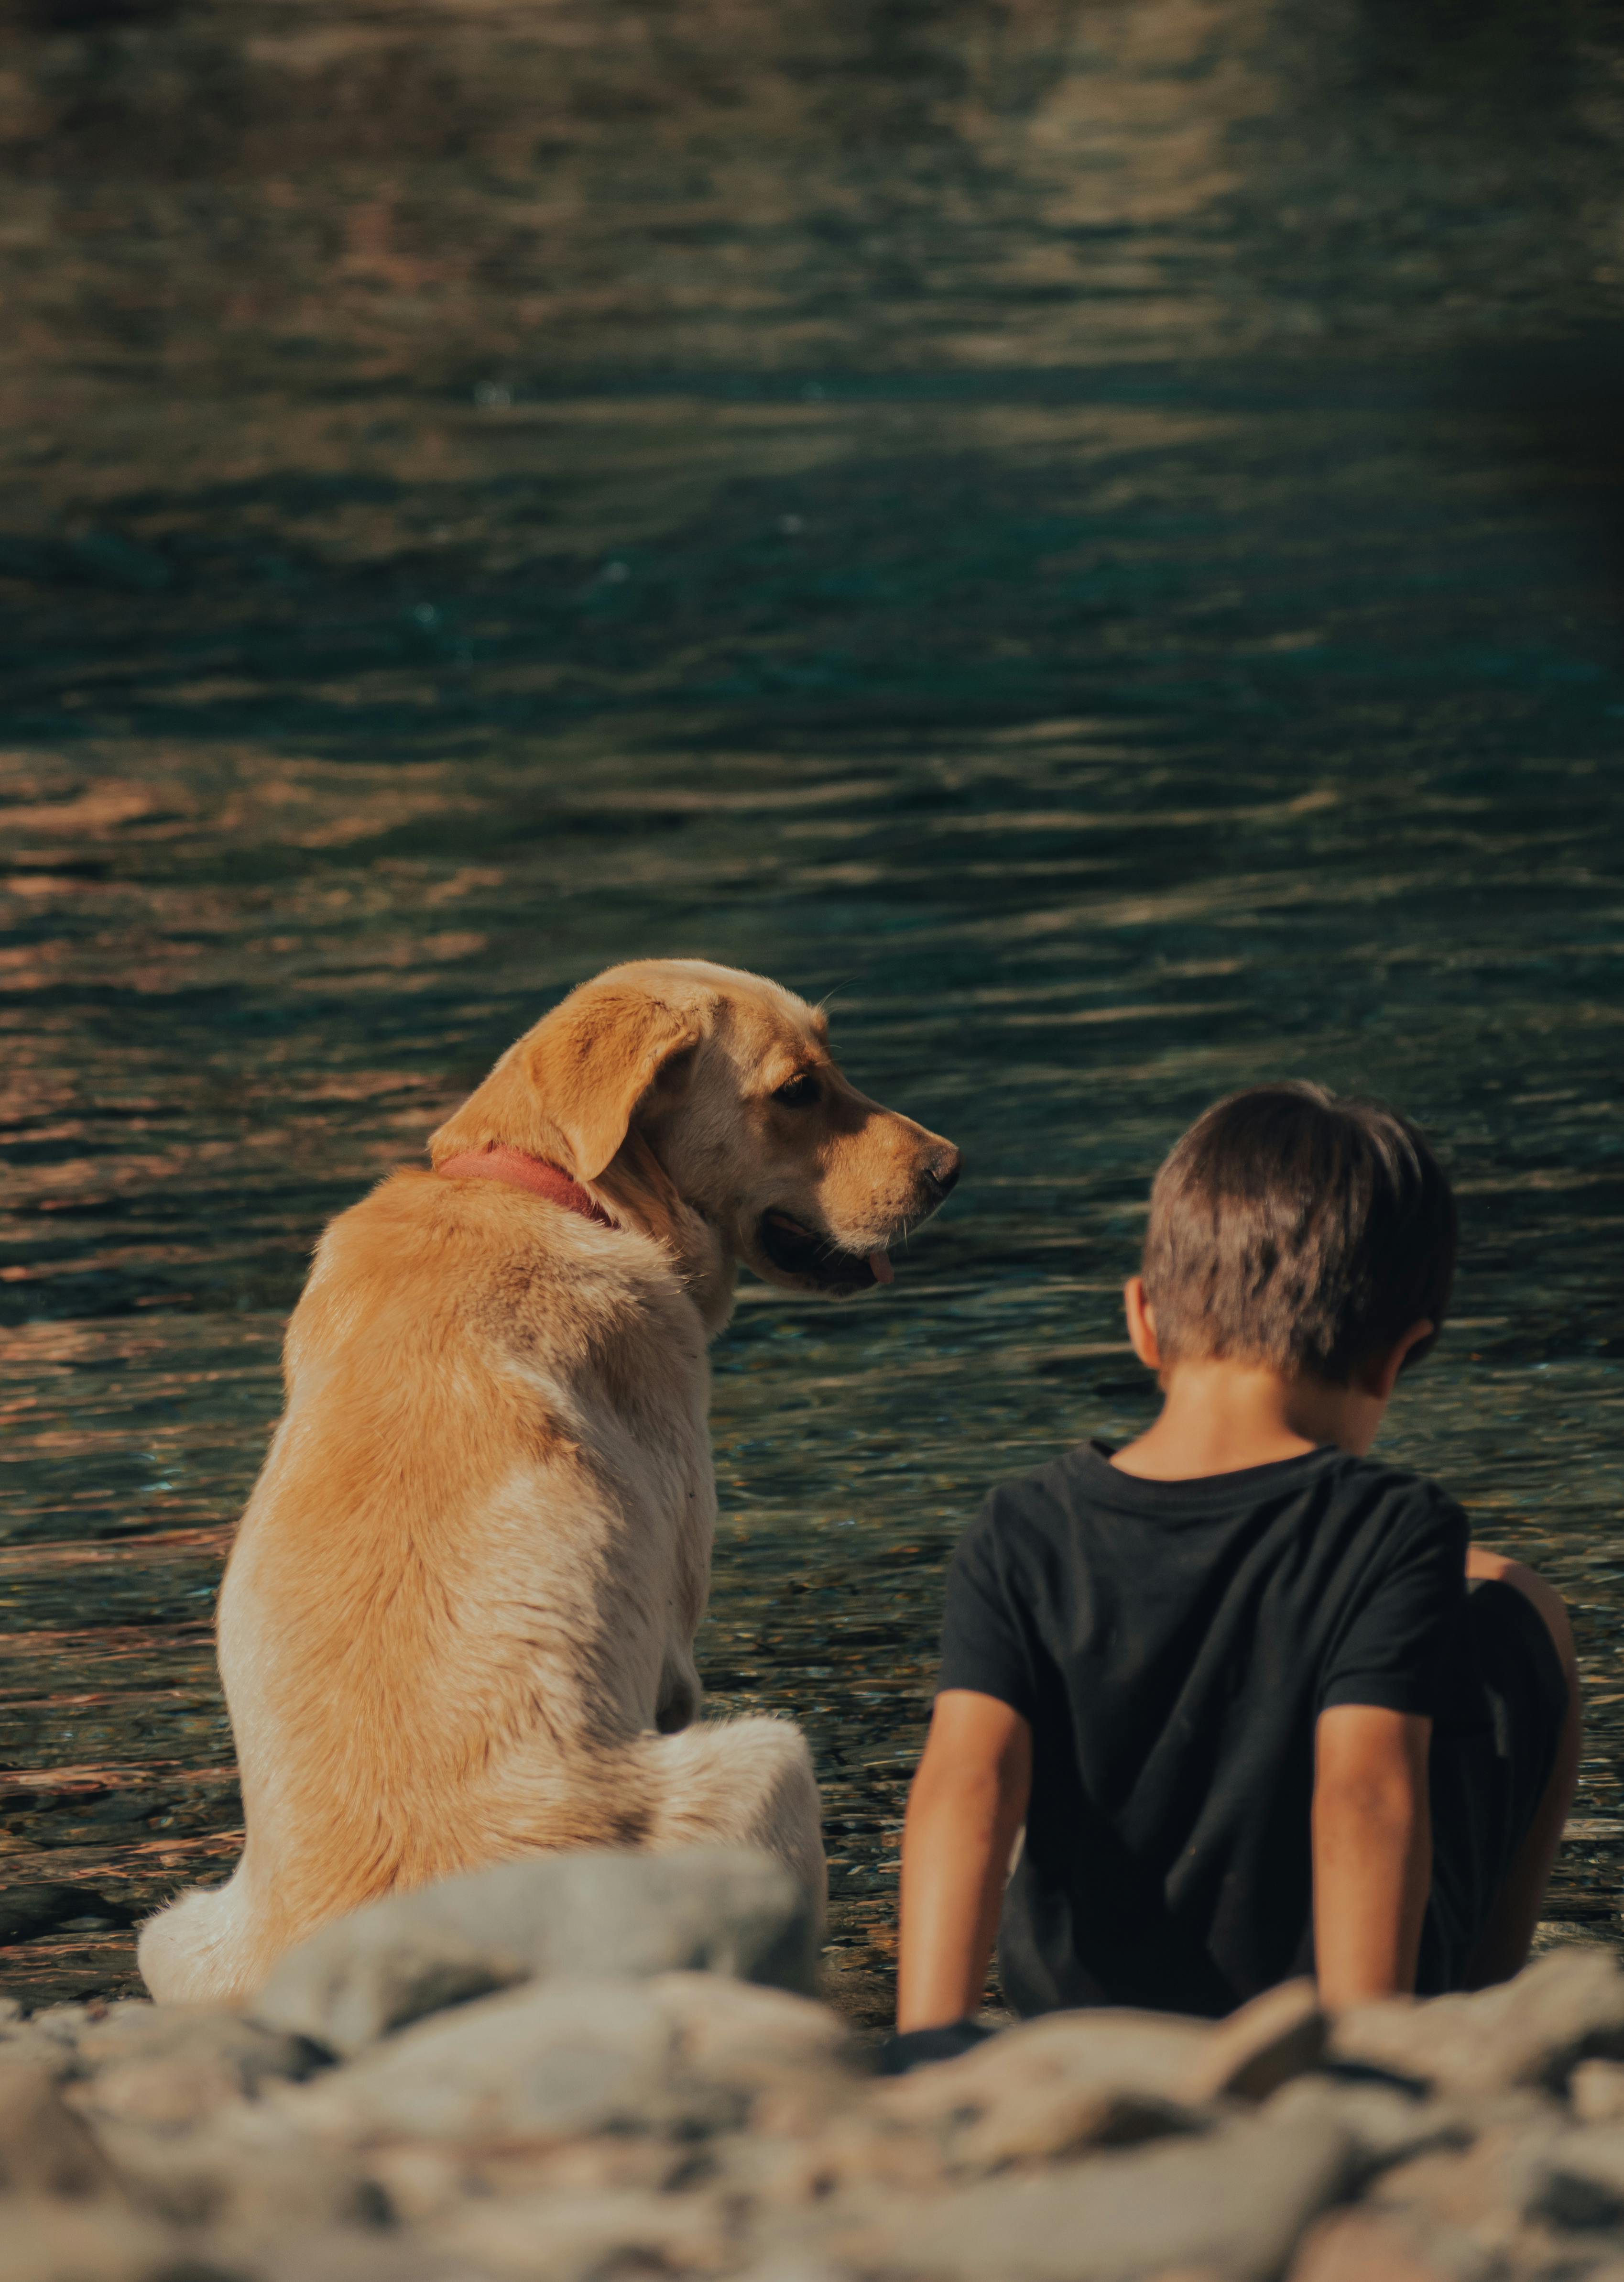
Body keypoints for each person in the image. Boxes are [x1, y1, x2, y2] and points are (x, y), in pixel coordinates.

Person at [891, 1084, 1580, 2065]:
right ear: (1399, 1357)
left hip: (1084, 2029)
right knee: (1519, 1603)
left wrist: (932, 2049)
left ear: (1140, 1319)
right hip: (1323, 2026)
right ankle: (1482, 2022)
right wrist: (1356, 2064)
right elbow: (1367, 1793)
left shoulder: (1021, 1524)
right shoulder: (1394, 1527)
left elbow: (968, 1781)